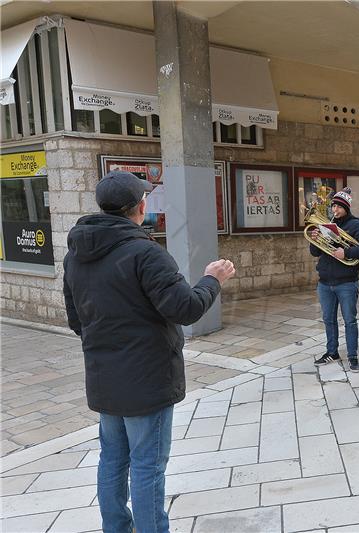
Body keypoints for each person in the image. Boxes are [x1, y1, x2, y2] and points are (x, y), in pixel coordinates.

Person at [63, 171, 236, 533]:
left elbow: (77, 320)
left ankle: (117, 528)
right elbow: (185, 308)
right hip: (147, 380)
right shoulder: (144, 252)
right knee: (147, 466)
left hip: (104, 378)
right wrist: (212, 279)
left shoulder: (76, 255)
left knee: (112, 459)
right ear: (140, 208)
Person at [310, 187, 359, 371]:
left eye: (338, 207)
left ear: (346, 207)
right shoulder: (326, 224)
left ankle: (352, 356)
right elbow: (315, 251)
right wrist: (315, 238)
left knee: (350, 320)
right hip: (325, 282)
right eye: (333, 207)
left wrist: (345, 252)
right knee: (328, 320)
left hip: (346, 281)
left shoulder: (356, 225)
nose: (335, 210)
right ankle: (332, 352)